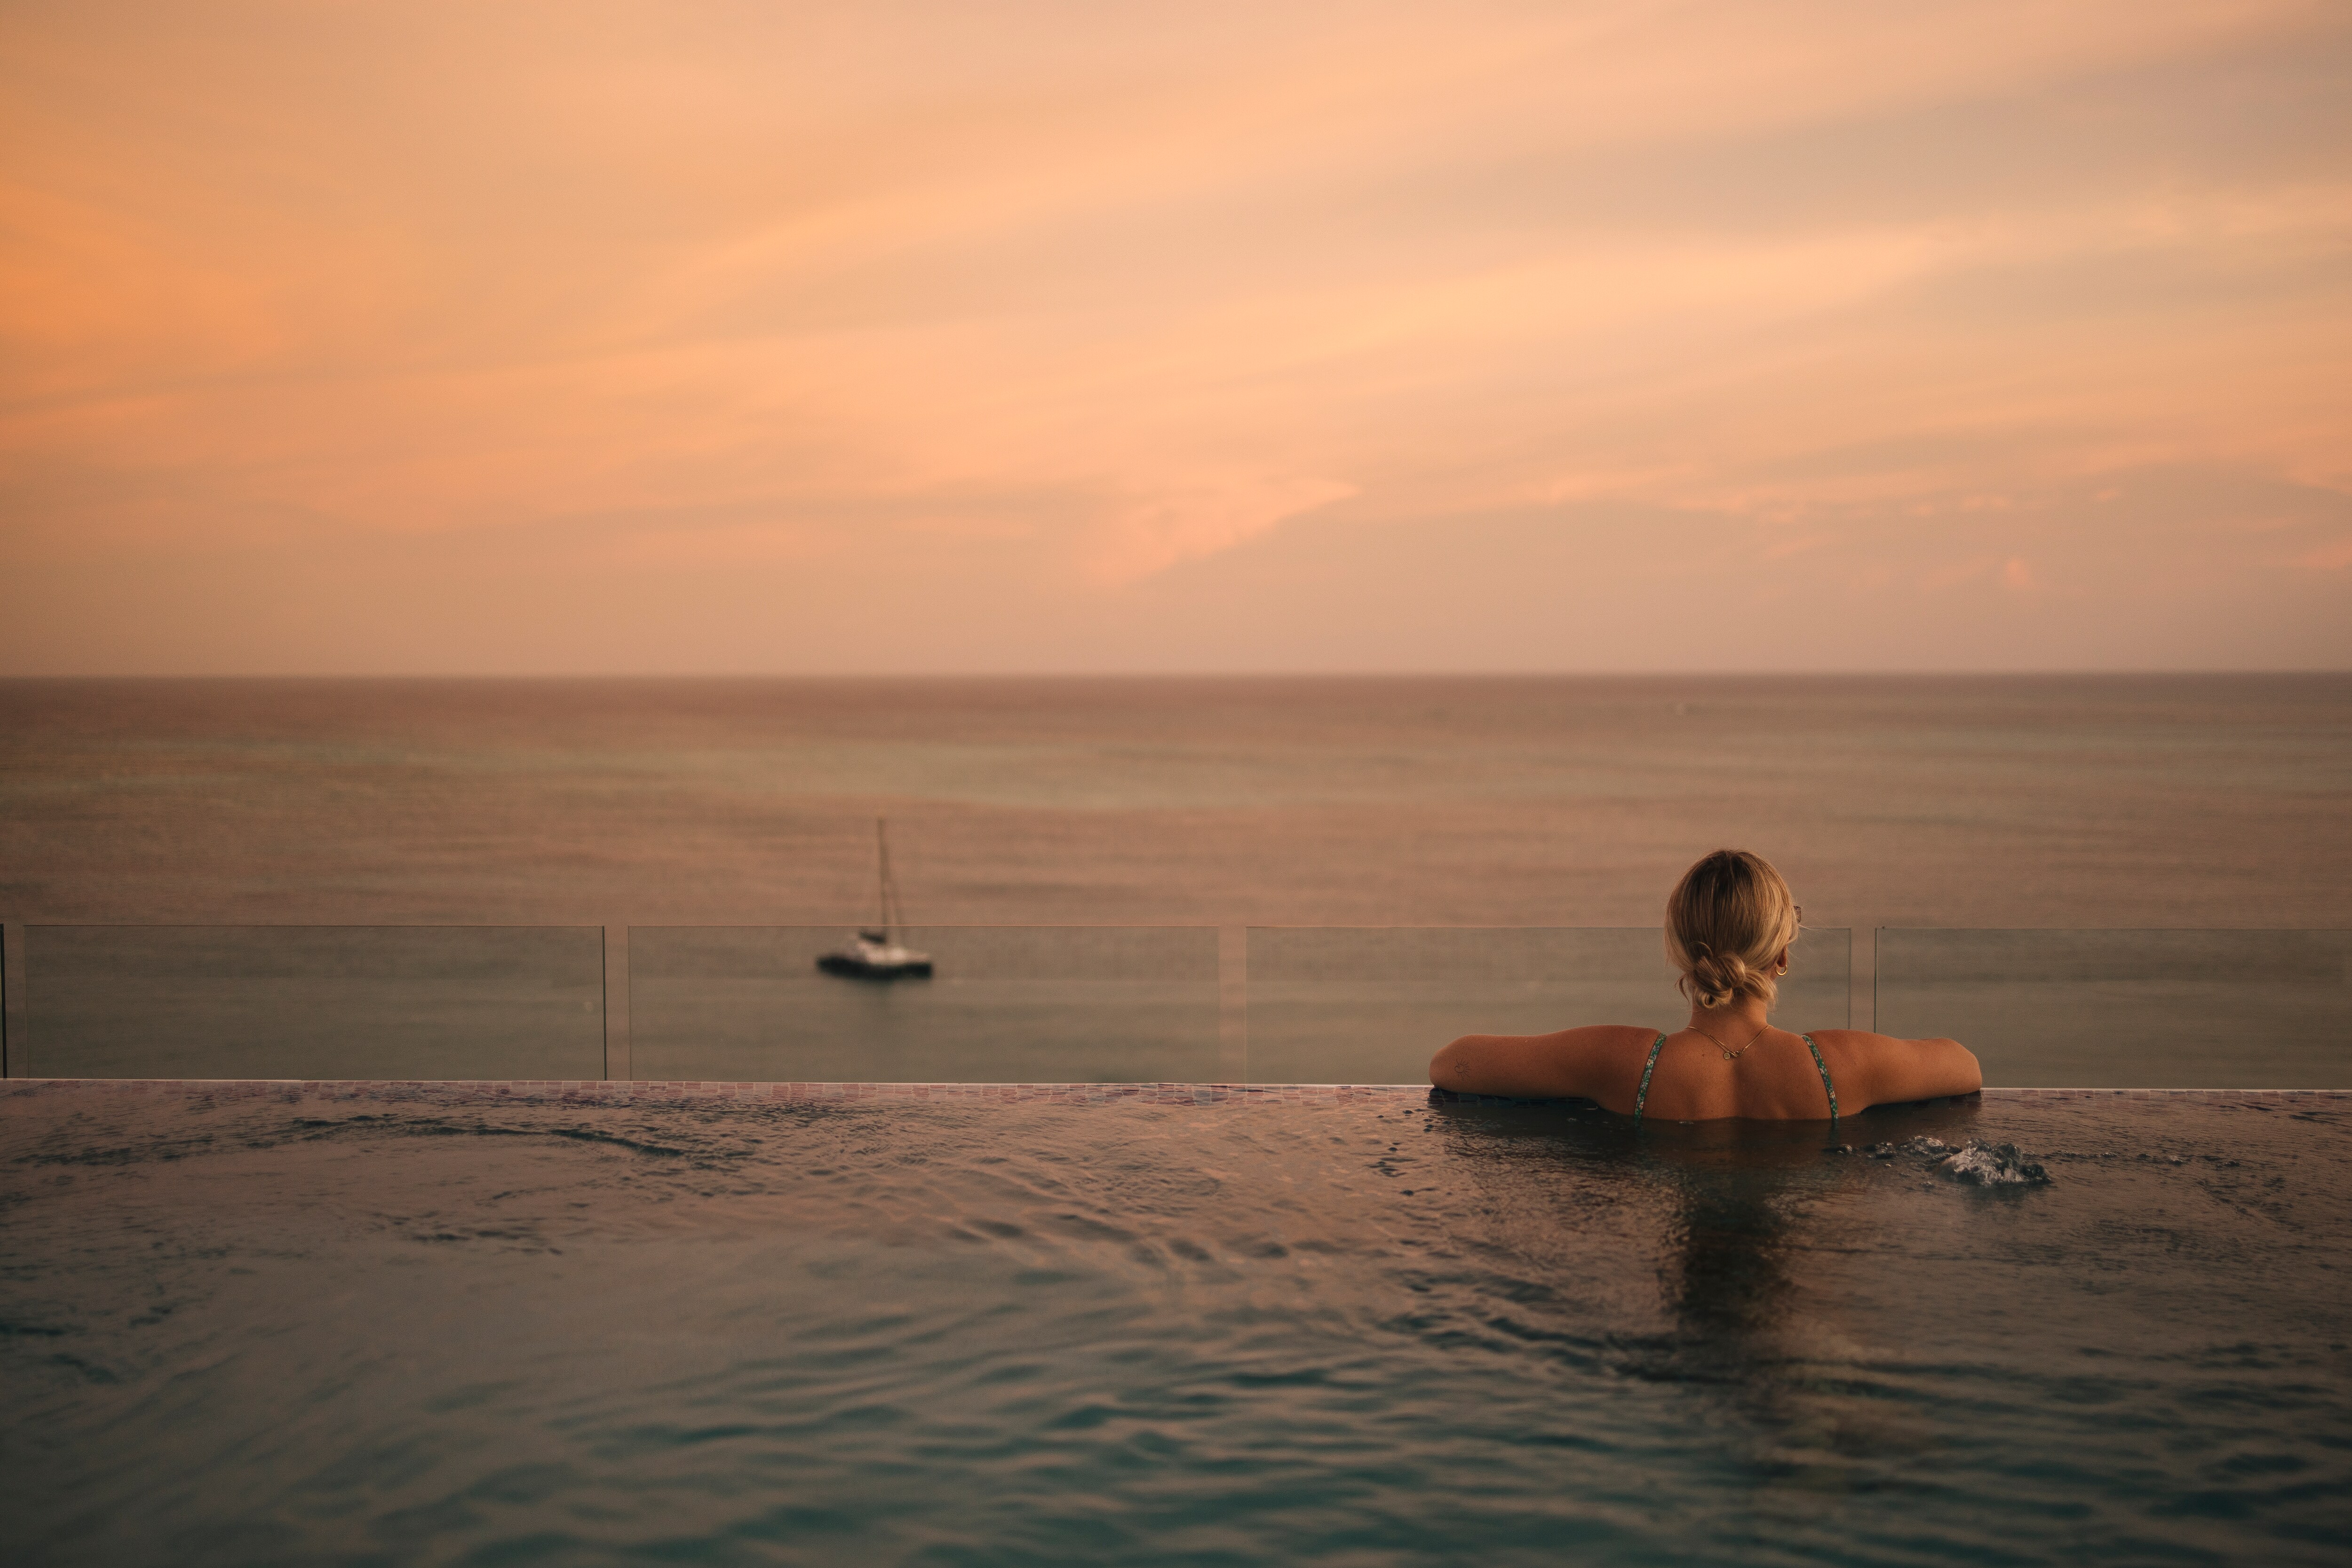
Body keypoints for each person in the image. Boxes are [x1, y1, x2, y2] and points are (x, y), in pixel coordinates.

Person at [1427, 849, 1980, 1123]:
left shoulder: (1623, 1062)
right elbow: (1964, 1065)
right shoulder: (1840, 1066)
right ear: (1782, 954)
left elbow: (1452, 1063)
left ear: (1682, 954)